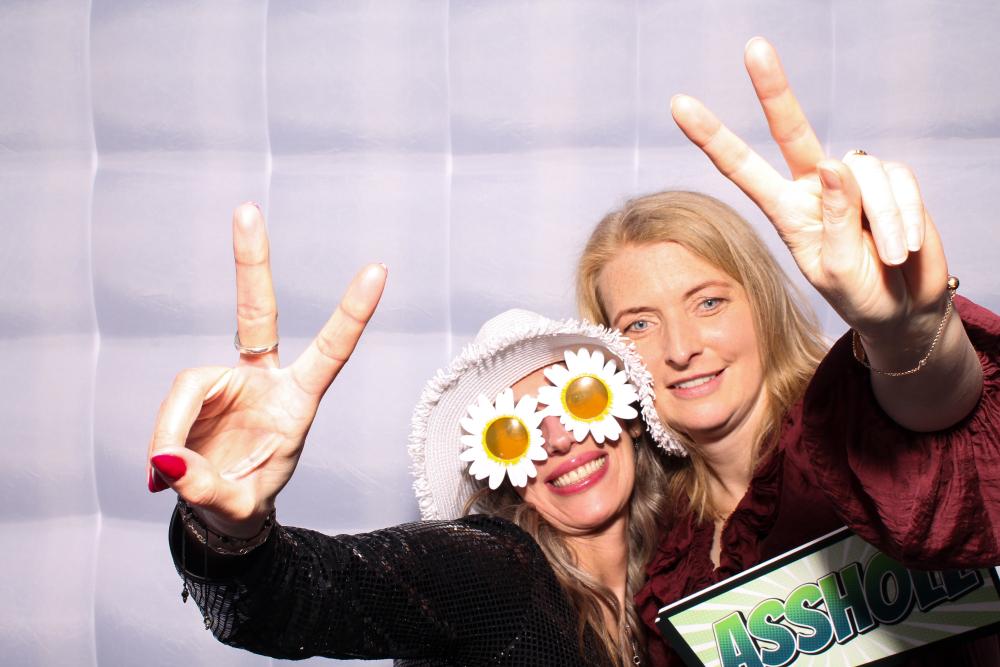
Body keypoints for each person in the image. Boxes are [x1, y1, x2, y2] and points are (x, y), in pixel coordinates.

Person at [576, 38, 999, 664]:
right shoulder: (660, 540)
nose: (682, 348)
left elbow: (943, 434)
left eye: (708, 303)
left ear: (763, 305)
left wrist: (904, 334)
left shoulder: (849, 430)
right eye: (639, 324)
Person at [147, 203, 684, 665]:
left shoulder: (682, 572)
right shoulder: (492, 570)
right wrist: (230, 530)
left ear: (631, 415)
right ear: (504, 474)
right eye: (514, 433)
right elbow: (304, 596)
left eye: (579, 400)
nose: (559, 439)